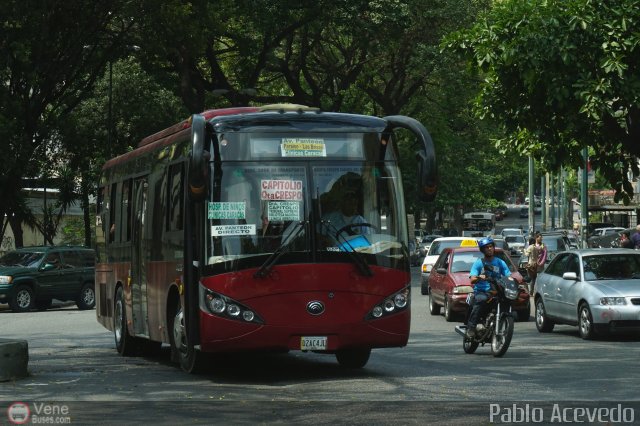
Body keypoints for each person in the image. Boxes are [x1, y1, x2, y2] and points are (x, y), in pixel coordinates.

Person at [466, 237, 511, 338]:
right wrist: (479, 277)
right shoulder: (479, 263)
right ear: (482, 250)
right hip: (482, 292)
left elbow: (508, 276)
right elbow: (472, 279)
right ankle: (471, 328)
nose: (489, 249)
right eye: (487, 247)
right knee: (481, 300)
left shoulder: (500, 262)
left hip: (497, 291)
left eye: (491, 246)